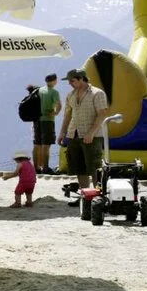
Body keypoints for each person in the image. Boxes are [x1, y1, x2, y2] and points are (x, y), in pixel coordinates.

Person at [58, 68, 109, 199]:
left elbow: (102, 114)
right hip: (73, 134)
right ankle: (85, 196)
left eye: (72, 80)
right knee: (78, 167)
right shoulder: (70, 95)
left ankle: (100, 195)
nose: (70, 83)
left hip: (92, 136)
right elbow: (67, 115)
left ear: (81, 79)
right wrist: (62, 132)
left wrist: (91, 133)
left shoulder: (97, 93)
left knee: (95, 168)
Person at [33, 73, 62, 174]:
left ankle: (35, 167)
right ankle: (45, 168)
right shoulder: (54, 92)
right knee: (46, 145)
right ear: (54, 81)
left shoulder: (39, 90)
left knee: (37, 144)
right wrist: (55, 113)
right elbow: (59, 105)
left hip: (37, 120)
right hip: (48, 121)